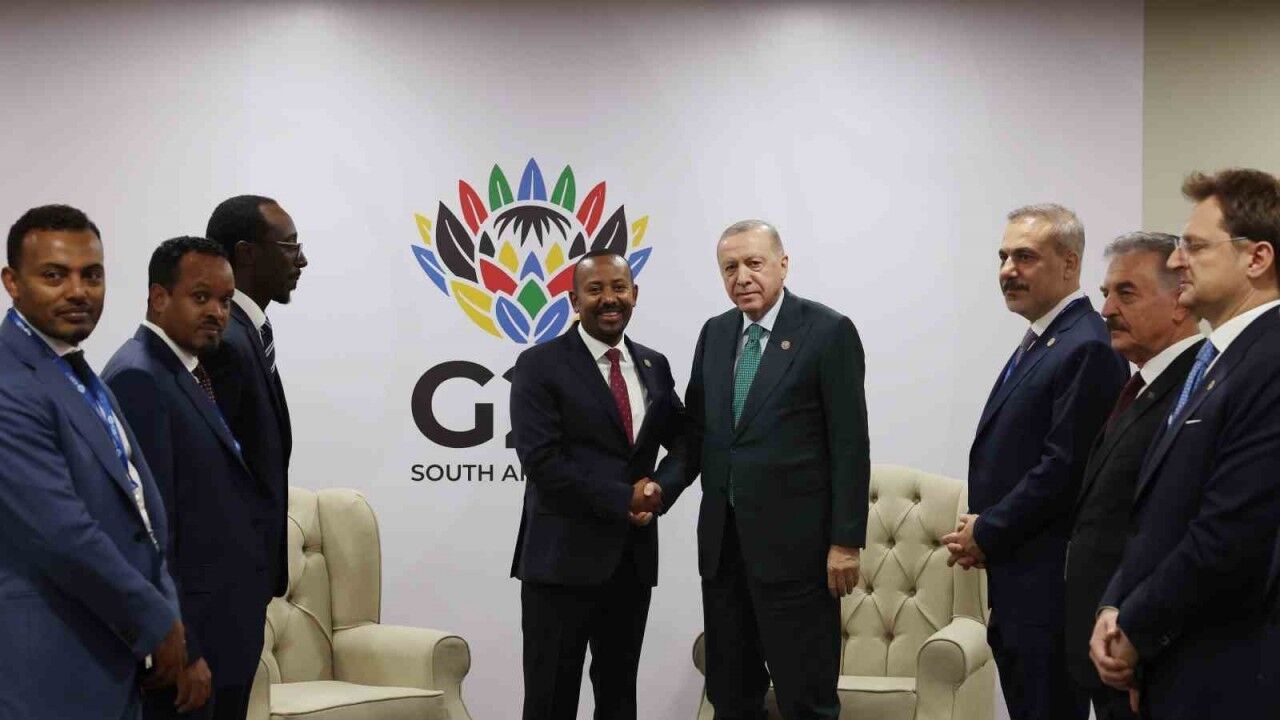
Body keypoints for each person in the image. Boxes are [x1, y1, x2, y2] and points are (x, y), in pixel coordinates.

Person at [1090, 169, 1280, 719]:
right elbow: (1158, 515)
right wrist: (1113, 606)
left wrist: (1136, 628)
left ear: (1257, 258)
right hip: (1178, 659)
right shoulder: (1216, 360)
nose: (1176, 261)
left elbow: (1230, 533)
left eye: (1194, 246)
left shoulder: (1269, 361)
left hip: (1227, 671)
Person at [666, 220, 869, 720]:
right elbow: (698, 433)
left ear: (783, 263)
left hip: (799, 556)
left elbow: (849, 445)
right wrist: (659, 489)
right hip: (724, 552)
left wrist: (846, 542)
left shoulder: (827, 331)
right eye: (729, 268)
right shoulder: (715, 333)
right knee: (730, 696)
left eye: (753, 263)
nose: (742, 277)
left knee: (806, 700)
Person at [0, 205, 188, 719]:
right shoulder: (9, 383)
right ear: (12, 283)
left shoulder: (76, 371)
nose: (78, 291)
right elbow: (62, 534)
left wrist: (167, 611)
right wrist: (157, 623)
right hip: (47, 672)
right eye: (54, 276)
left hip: (110, 663)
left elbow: (139, 513)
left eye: (92, 275)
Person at [944, 204, 1127, 720]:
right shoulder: (1047, 339)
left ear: (1069, 264)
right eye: (1003, 257)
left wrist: (988, 530)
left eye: (1024, 257)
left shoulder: (1086, 345)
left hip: (1050, 587)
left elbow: (1064, 468)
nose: (1008, 270)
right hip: (1019, 577)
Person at [509, 249, 685, 720]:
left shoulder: (653, 365)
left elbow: (687, 441)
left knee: (619, 698)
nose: (609, 299)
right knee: (550, 701)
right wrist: (624, 498)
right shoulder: (539, 364)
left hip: (630, 562)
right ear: (574, 300)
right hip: (559, 563)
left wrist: (659, 491)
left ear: (634, 294)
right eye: (595, 289)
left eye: (619, 288)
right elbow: (542, 462)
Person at [104, 237, 274, 720]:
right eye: (201, 297)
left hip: (224, 628)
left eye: (225, 300)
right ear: (159, 298)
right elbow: (149, 533)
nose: (217, 313)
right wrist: (185, 647)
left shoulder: (186, 371)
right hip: (192, 642)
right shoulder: (139, 377)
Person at [1064, 232, 1201, 720]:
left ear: (1181, 299)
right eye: (1106, 293)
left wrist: (1145, 644)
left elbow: (1177, 529)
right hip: (1107, 647)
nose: (1105, 310)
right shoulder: (1141, 384)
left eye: (1126, 293)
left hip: (1144, 654)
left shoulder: (1196, 389)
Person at [201, 195, 307, 603]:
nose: (301, 260)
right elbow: (216, 474)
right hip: (228, 578)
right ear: (246, 254)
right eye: (290, 246)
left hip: (246, 576)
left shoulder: (248, 332)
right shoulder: (225, 342)